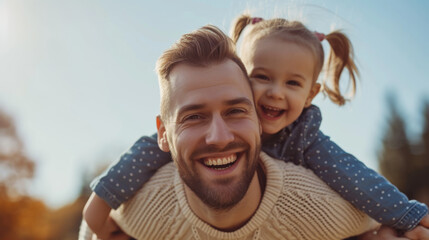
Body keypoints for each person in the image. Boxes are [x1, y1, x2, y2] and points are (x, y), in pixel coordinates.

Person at [83, 14, 429, 238]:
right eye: (261, 78)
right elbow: (148, 150)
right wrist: (102, 201)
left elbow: (354, 179)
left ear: (311, 94)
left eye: (292, 84)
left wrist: (403, 218)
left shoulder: (307, 146)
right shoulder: (154, 196)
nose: (274, 94)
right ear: (241, 79)